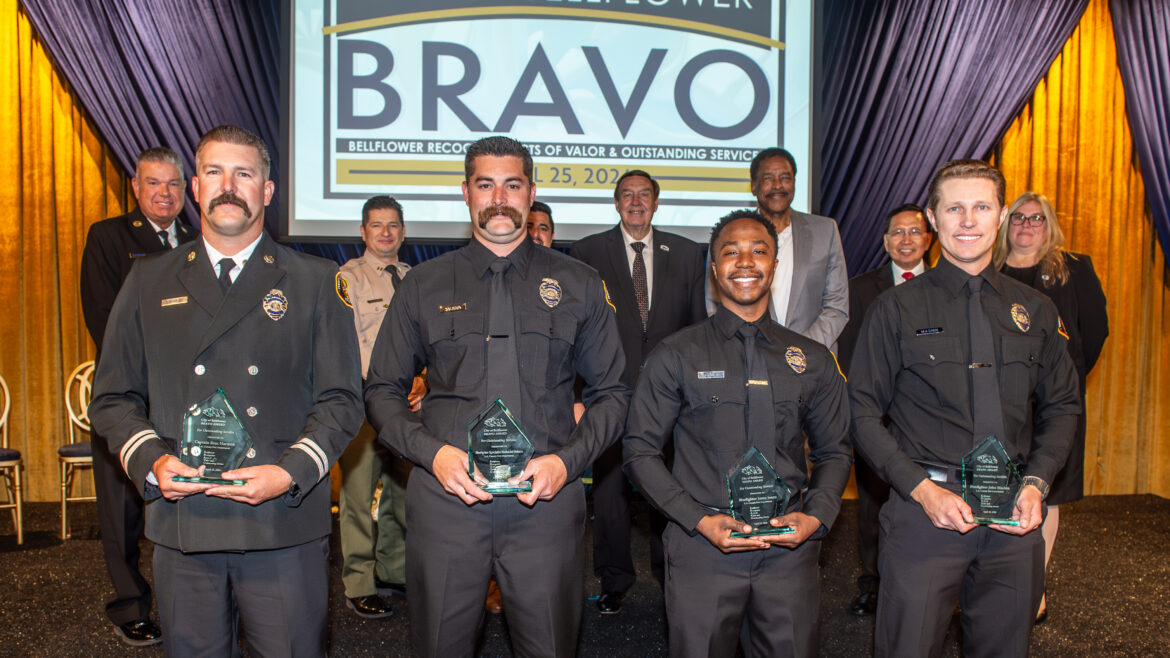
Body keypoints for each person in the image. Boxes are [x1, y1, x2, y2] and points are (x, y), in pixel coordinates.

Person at [89, 125, 363, 656]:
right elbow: (112, 397)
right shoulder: (149, 280)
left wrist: (290, 472)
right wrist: (152, 461)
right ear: (195, 187)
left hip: (283, 524)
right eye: (215, 172)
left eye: (244, 173)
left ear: (268, 190)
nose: (228, 185)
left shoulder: (315, 281)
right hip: (186, 522)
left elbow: (342, 399)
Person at [364, 135, 630, 657]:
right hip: (446, 504)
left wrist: (567, 463)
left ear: (531, 193)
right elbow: (382, 391)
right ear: (466, 193)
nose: (500, 198)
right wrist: (433, 455)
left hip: (545, 505)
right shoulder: (423, 284)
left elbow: (613, 394)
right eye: (486, 185)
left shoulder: (579, 283)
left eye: (512, 185)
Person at [849, 159, 1081, 658]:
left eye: (981, 207)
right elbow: (861, 410)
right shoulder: (895, 308)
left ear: (1000, 216)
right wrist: (921, 490)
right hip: (925, 516)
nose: (968, 220)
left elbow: (1063, 405)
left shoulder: (1036, 310)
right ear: (934, 220)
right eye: (954, 208)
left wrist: (1038, 482)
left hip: (1015, 519)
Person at [624, 209, 851, 657]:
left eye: (758, 251)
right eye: (730, 252)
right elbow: (639, 451)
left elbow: (834, 451)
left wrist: (816, 517)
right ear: (714, 269)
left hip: (788, 547)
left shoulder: (812, 359)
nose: (744, 262)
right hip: (701, 548)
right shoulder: (677, 355)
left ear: (776, 263)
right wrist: (696, 520)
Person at [569, 169, 707, 613]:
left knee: (669, 486)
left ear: (656, 202)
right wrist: (575, 394)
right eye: (626, 195)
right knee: (609, 491)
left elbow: (696, 330)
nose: (635, 201)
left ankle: (672, 575)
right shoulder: (586, 253)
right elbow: (574, 331)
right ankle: (614, 579)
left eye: (643, 194)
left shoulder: (687, 254)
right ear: (615, 203)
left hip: (672, 396)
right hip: (607, 391)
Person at [79, 146, 197, 647]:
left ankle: (189, 601)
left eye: (172, 185)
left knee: (185, 499)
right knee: (123, 508)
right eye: (154, 183)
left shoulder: (198, 240)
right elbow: (104, 318)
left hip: (187, 396)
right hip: (129, 395)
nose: (164, 194)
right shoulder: (108, 237)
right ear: (136, 186)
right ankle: (129, 604)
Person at [994, 191, 1109, 622]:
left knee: (1047, 492)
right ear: (1007, 225)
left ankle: (1033, 591)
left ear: (1049, 224)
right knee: (1000, 486)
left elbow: (1094, 331)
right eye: (1019, 217)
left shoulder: (1074, 269)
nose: (1026, 225)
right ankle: (994, 582)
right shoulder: (991, 268)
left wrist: (1065, 379)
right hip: (1002, 403)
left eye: (1036, 218)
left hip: (1055, 403)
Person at [835, 203, 933, 616]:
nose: (906, 239)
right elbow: (851, 354)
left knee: (932, 498)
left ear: (929, 239)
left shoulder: (947, 287)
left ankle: (929, 580)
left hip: (932, 418)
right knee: (874, 503)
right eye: (897, 232)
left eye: (914, 232)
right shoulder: (859, 289)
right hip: (876, 417)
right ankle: (873, 583)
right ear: (885, 241)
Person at [335, 195, 417, 619]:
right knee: (357, 495)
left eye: (393, 225)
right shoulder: (346, 280)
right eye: (376, 225)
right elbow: (344, 347)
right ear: (363, 232)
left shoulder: (414, 278)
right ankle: (359, 581)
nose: (385, 233)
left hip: (409, 407)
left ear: (403, 232)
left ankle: (393, 569)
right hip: (365, 402)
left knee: (402, 493)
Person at [707, 148, 848, 351]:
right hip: (747, 356)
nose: (778, 186)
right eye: (768, 179)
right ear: (753, 186)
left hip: (813, 358)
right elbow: (714, 303)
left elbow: (837, 305)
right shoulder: (728, 234)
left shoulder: (825, 231)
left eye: (785, 178)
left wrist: (800, 351)